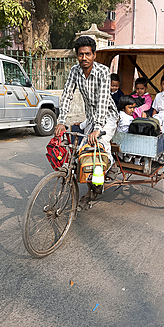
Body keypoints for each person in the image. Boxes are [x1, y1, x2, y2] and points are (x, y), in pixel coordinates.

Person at [55, 35, 119, 204]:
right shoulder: (74, 71)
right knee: (83, 153)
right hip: (91, 117)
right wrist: (61, 121)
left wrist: (97, 128)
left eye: (88, 54)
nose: (84, 58)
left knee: (100, 147)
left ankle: (110, 166)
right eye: (81, 54)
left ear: (94, 55)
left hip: (107, 116)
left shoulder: (103, 72)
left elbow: (103, 100)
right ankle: (91, 189)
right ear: (77, 56)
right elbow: (67, 95)